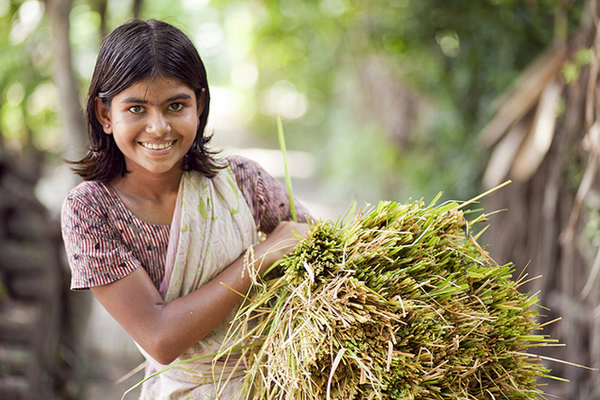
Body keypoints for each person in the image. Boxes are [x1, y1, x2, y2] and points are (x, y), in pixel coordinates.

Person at [60, 18, 311, 399]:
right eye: (137, 108)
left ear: (200, 104)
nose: (159, 127)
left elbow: (323, 253)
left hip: (276, 387)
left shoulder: (242, 182)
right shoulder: (92, 212)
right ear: (105, 115)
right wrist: (260, 258)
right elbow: (160, 337)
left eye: (176, 105)